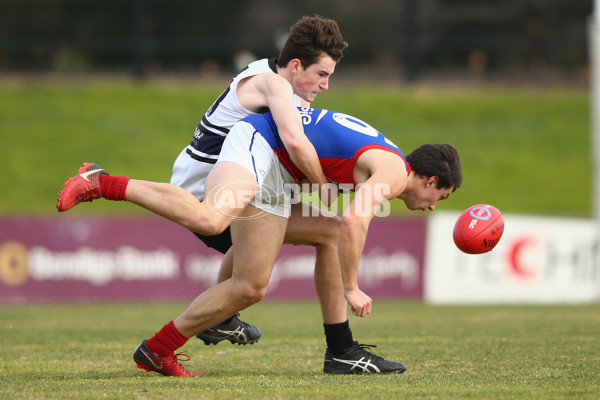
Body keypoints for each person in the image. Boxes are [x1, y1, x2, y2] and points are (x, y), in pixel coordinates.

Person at [57, 15, 407, 376]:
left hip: (248, 185)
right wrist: (321, 185)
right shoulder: (274, 84)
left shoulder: (274, 80)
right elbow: (294, 140)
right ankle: (102, 182)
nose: (326, 85)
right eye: (322, 74)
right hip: (205, 181)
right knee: (229, 248)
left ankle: (339, 350)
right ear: (297, 64)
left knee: (318, 241)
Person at [57, 107, 462, 376]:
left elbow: (341, 215)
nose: (431, 207)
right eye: (439, 198)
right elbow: (358, 220)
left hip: (267, 154)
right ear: (429, 180)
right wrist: (353, 287)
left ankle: (340, 350)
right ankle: (102, 183)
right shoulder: (393, 173)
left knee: (325, 232)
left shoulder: (388, 158)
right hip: (261, 149)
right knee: (246, 275)